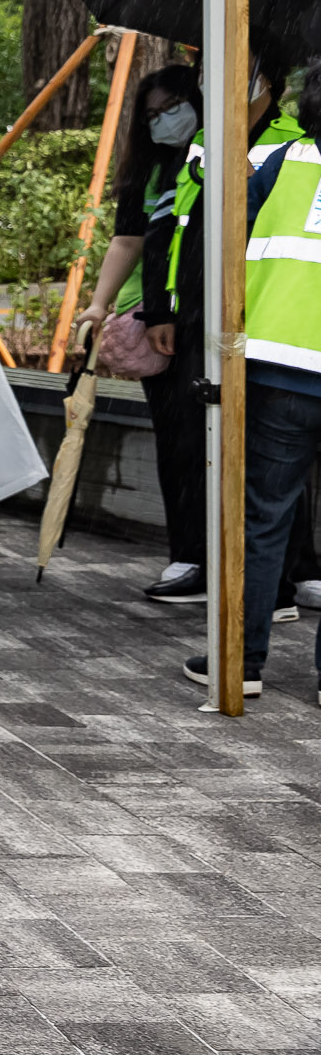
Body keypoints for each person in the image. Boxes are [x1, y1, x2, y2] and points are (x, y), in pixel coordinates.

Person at [146, 51, 308, 616]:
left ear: (263, 75)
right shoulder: (209, 137)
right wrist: (160, 308)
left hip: (259, 322)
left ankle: (277, 586)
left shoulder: (293, 142)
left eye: (225, 66)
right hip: (197, 314)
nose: (209, 80)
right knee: (200, 440)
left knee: (263, 459)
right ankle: (206, 563)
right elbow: (176, 224)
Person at [186, 61, 321, 700]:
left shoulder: (290, 160)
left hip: (282, 372)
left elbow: (227, 223)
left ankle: (241, 661)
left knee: (263, 518)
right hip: (285, 369)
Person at [76, 65, 205, 603]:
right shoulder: (151, 173)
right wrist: (98, 305)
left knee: (236, 445)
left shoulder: (226, 156)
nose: (162, 121)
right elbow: (127, 241)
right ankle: (189, 555)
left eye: (172, 107)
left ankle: (290, 570)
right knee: (179, 441)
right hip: (159, 325)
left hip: (216, 321)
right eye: (152, 115)